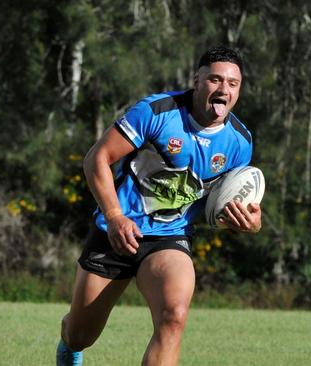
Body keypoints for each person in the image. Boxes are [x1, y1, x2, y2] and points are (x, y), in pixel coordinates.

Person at [56, 45, 262, 366]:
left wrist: (249, 221)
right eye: (215, 80)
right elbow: (97, 158)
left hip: (170, 237)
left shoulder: (239, 142)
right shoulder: (157, 112)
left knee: (174, 316)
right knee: (80, 334)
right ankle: (69, 346)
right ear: (197, 80)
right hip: (117, 230)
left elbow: (223, 202)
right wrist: (114, 216)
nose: (223, 89)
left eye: (233, 84)